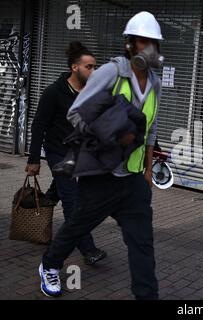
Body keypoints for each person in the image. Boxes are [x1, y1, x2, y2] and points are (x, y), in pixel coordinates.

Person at [38, 11, 163, 300]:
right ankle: (49, 264)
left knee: (142, 244)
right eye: (143, 42)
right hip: (102, 177)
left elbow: (152, 127)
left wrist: (147, 170)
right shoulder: (111, 72)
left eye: (154, 43)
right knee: (76, 226)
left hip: (133, 181)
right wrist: (112, 134)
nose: (149, 48)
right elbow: (75, 113)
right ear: (129, 44)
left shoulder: (155, 82)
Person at [26, 41, 106, 265]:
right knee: (74, 203)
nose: (93, 71)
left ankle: (42, 204)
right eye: (89, 67)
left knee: (61, 192)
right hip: (58, 153)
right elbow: (39, 125)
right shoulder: (54, 92)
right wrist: (34, 160)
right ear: (74, 67)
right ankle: (88, 249)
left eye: (94, 67)